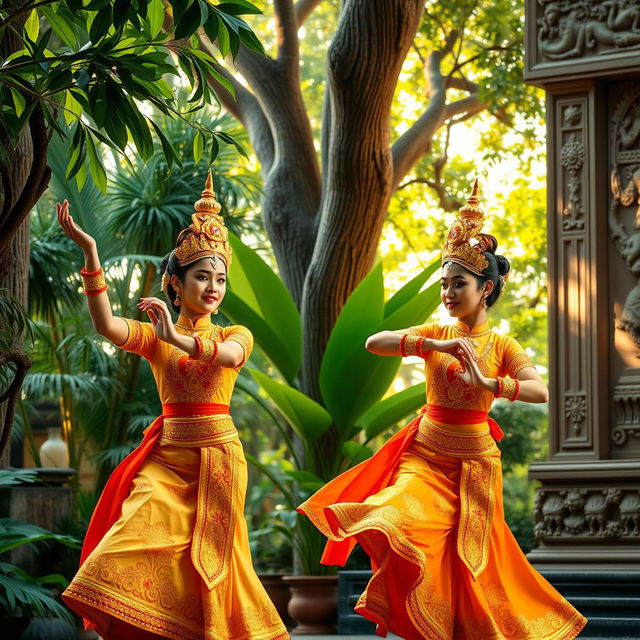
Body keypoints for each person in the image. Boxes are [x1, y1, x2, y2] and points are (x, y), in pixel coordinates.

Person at [298, 180, 587, 640]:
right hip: (426, 456)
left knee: (468, 566)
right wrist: (434, 343)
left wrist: (490, 382)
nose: (449, 293)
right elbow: (375, 342)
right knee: (394, 515)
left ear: (486, 287)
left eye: (459, 284)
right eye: (445, 285)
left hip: (473, 467)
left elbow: (540, 391)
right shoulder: (437, 330)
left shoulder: (502, 345)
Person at [60, 172, 289, 640]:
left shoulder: (231, 333)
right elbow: (106, 326)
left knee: (211, 564)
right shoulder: (155, 334)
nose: (213, 287)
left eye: (220, 279)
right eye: (202, 276)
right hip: (167, 459)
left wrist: (178, 338)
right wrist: (91, 257)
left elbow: (231, 358)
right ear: (175, 283)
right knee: (128, 540)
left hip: (218, 461)